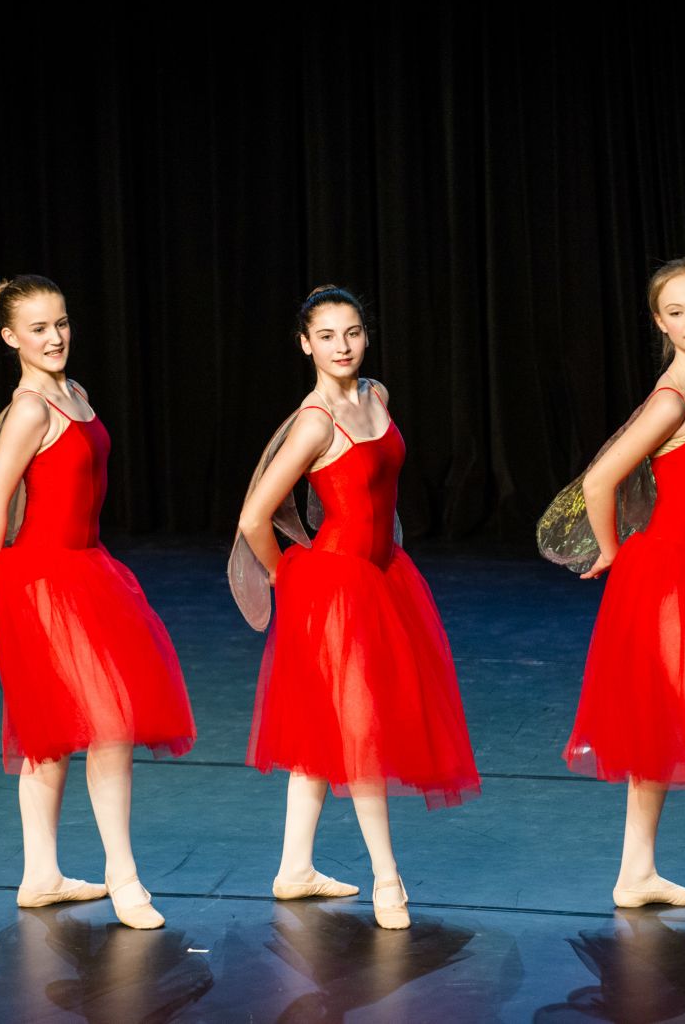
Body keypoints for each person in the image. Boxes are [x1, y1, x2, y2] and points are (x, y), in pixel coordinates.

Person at [0, 275, 194, 929]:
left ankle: (41, 875)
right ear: (10, 338)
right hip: (40, 581)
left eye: (60, 323)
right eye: (38, 329)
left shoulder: (73, 393)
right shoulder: (31, 407)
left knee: (59, 735)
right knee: (104, 727)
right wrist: (0, 593)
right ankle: (123, 876)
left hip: (88, 572)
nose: (55, 337)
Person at [536, 256, 685, 949]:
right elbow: (602, 479)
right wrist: (609, 552)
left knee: (666, 725)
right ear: (659, 322)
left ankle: (636, 871)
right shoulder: (673, 401)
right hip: (667, 573)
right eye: (676, 312)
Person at [230, 285, 480, 930]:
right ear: (305, 344)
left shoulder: (376, 397)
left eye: (353, 333)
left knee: (326, 728)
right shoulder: (316, 420)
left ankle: (293, 867)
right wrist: (288, 572)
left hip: (383, 578)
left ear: (365, 336)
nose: (342, 347)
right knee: (360, 729)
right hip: (336, 586)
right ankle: (387, 878)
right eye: (327, 336)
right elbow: (257, 516)